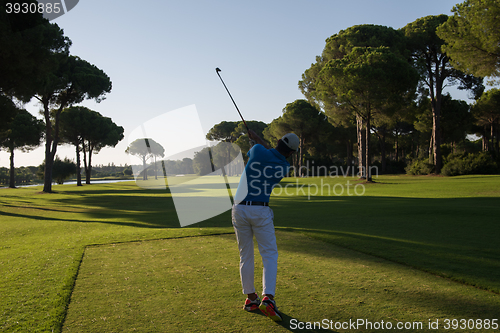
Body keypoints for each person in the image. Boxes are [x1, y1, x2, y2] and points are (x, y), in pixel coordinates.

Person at [231, 129, 299, 322]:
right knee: (269, 254)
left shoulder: (258, 150)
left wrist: (256, 139)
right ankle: (268, 298)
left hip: (239, 208)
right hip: (260, 211)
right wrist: (259, 139)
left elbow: (261, 151)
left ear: (278, 140)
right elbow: (276, 155)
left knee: (245, 254)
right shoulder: (284, 167)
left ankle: (251, 299)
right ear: (292, 153)